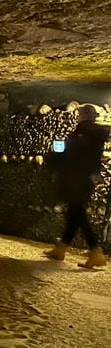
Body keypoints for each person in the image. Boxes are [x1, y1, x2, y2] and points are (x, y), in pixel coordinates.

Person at [44, 104, 110, 268]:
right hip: (84, 180)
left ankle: (95, 252)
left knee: (78, 216)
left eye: (79, 114)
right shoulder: (93, 135)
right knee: (73, 214)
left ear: (83, 115)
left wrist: (55, 157)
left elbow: (72, 156)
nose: (77, 117)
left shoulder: (82, 133)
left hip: (75, 180)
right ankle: (61, 249)